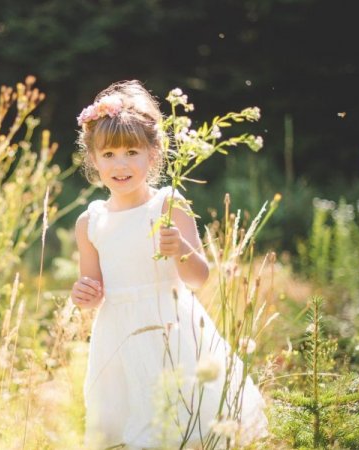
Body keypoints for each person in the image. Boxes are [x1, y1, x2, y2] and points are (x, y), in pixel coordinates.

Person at [71, 80, 268, 449]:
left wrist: (179, 249)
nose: (121, 164)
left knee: (183, 420)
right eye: (109, 155)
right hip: (118, 337)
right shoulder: (90, 221)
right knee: (129, 424)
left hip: (172, 328)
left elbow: (200, 278)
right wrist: (83, 293)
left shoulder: (167, 205)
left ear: (153, 153)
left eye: (132, 151)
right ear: (93, 159)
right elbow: (93, 289)